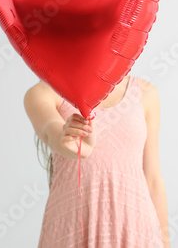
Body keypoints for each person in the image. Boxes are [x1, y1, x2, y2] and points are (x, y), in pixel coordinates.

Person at [24, 74, 169, 247]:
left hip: (136, 229)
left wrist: (165, 242)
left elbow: (152, 178)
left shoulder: (146, 92)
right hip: (72, 230)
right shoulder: (44, 93)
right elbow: (50, 131)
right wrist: (67, 139)